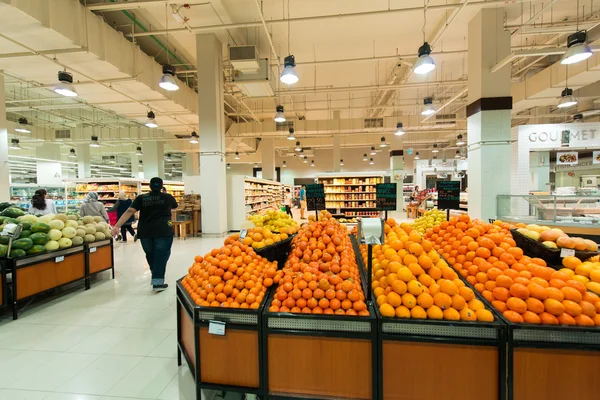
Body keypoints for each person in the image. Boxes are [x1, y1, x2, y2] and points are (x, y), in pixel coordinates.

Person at [111, 177, 178, 291]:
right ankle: (157, 282)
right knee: (161, 255)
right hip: (163, 230)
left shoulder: (142, 198)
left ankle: (155, 272)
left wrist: (117, 226)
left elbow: (129, 211)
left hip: (145, 231)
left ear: (149, 186)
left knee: (150, 254)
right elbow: (174, 206)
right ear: (162, 186)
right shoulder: (168, 197)